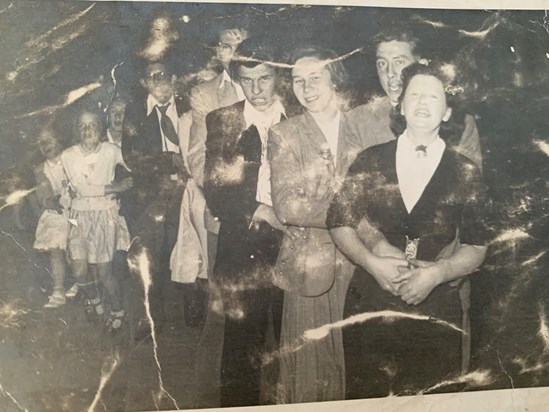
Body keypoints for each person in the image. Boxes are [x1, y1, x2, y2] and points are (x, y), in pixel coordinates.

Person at [327, 62, 491, 398]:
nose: (422, 103)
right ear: (399, 105)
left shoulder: (466, 171)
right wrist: (373, 264)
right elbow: (339, 222)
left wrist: (437, 274)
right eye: (414, 94)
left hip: (436, 308)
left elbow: (478, 247)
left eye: (433, 96)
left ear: (447, 112)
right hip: (371, 301)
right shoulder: (370, 159)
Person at [268, 46, 365, 403]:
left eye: (315, 78)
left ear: (334, 78)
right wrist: (355, 213)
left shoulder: (362, 125)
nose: (306, 87)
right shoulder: (285, 134)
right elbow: (288, 206)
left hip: (364, 265)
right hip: (312, 267)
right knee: (310, 371)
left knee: (357, 364)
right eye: (297, 80)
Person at [203, 37, 287, 407]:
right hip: (244, 246)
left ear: (279, 77)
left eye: (264, 79)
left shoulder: (301, 116)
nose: (256, 90)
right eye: (247, 80)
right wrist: (259, 210)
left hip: (294, 244)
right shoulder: (223, 122)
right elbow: (216, 188)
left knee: (296, 338)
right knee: (241, 346)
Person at [347, 26, 482, 170]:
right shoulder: (357, 121)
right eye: (382, 63)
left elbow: (470, 185)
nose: (390, 72)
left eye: (399, 62)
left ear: (420, 64)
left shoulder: (462, 122)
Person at [121, 59, 189, 339]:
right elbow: (132, 156)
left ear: (174, 77)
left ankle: (193, 307)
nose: (158, 81)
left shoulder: (188, 103)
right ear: (143, 84)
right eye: (151, 77)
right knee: (148, 253)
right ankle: (151, 316)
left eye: (163, 75)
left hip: (190, 187)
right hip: (154, 192)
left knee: (187, 247)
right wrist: (170, 159)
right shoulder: (136, 112)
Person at [61, 107, 133, 331]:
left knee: (104, 273)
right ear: (76, 130)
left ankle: (118, 311)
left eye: (92, 125)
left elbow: (136, 166)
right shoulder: (68, 155)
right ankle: (94, 300)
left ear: (101, 128)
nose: (87, 130)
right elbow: (82, 188)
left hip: (105, 216)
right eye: (82, 126)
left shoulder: (112, 150)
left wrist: (131, 181)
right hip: (79, 217)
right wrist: (117, 187)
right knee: (79, 271)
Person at [33, 126, 71, 308]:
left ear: (59, 139)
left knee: (76, 249)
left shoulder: (72, 158)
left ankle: (81, 282)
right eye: (41, 143)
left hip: (77, 209)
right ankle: (58, 289)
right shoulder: (40, 169)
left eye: (49, 140)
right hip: (56, 212)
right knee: (56, 248)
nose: (45, 145)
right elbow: (42, 196)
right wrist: (51, 201)